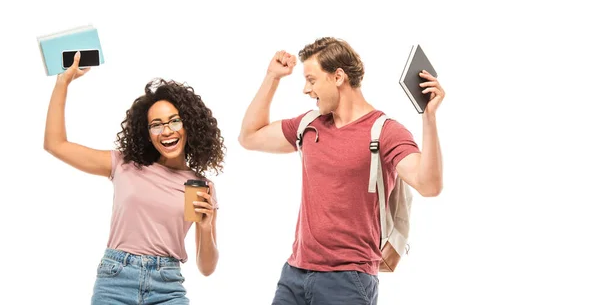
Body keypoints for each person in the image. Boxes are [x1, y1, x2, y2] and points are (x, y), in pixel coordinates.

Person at [238, 37, 445, 305]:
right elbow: (249, 136)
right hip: (295, 274)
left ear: (338, 77)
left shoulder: (385, 132)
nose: (305, 89)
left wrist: (429, 117)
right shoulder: (309, 124)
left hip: (348, 280)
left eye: (311, 80)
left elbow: (429, 185)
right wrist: (272, 77)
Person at [44, 52, 224, 305]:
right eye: (156, 125)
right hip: (115, 280)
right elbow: (55, 144)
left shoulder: (201, 186)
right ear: (147, 132)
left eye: (174, 121)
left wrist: (206, 228)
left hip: (168, 286)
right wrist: (63, 82)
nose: (167, 131)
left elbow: (206, 268)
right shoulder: (124, 164)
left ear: (190, 125)